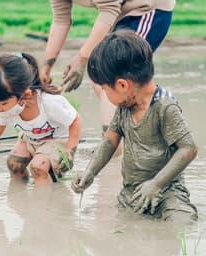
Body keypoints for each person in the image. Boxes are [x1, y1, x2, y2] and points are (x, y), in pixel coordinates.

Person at [71, 30, 198, 222]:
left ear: (122, 85)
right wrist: (90, 172)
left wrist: (156, 184)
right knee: (119, 226)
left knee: (182, 224)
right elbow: (109, 142)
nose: (105, 96)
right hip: (131, 193)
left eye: (104, 90)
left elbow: (188, 148)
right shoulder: (125, 107)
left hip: (167, 192)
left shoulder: (164, 106)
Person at [41, 0, 175, 133]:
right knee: (101, 77)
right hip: (122, 14)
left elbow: (109, 9)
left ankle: (115, 142)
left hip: (147, 9)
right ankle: (124, 137)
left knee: (112, 76)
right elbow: (61, 20)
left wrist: (81, 59)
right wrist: (47, 65)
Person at [0, 53, 82, 184]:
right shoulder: (5, 108)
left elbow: (75, 121)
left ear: (25, 94)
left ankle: (44, 201)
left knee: (38, 167)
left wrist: (70, 151)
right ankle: (18, 200)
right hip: (30, 138)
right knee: (14, 164)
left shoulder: (49, 103)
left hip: (57, 140)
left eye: (3, 103)